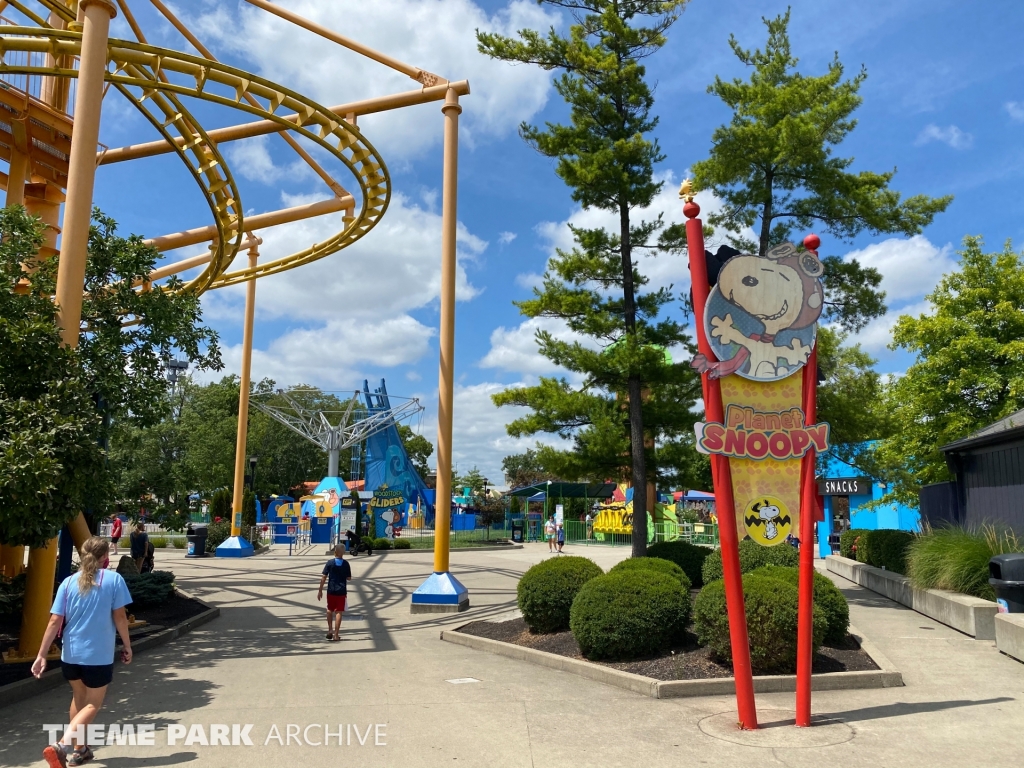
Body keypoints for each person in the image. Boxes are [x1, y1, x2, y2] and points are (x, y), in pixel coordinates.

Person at [32, 537, 133, 768]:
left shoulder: (67, 583)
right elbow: (120, 617)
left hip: (71, 655)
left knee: (79, 699)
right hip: (97, 656)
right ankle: (61, 746)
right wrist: (127, 645)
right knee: (92, 704)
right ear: (105, 557)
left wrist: (41, 654)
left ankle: (80, 751)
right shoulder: (114, 579)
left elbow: (55, 621)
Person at [317, 544, 352, 642]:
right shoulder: (346, 564)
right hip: (341, 591)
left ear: (335, 552)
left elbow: (323, 577)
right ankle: (336, 635)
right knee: (339, 612)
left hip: (331, 590)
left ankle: (330, 630)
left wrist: (320, 590)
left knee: (329, 609)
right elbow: (349, 578)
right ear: (343, 553)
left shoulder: (330, 563)